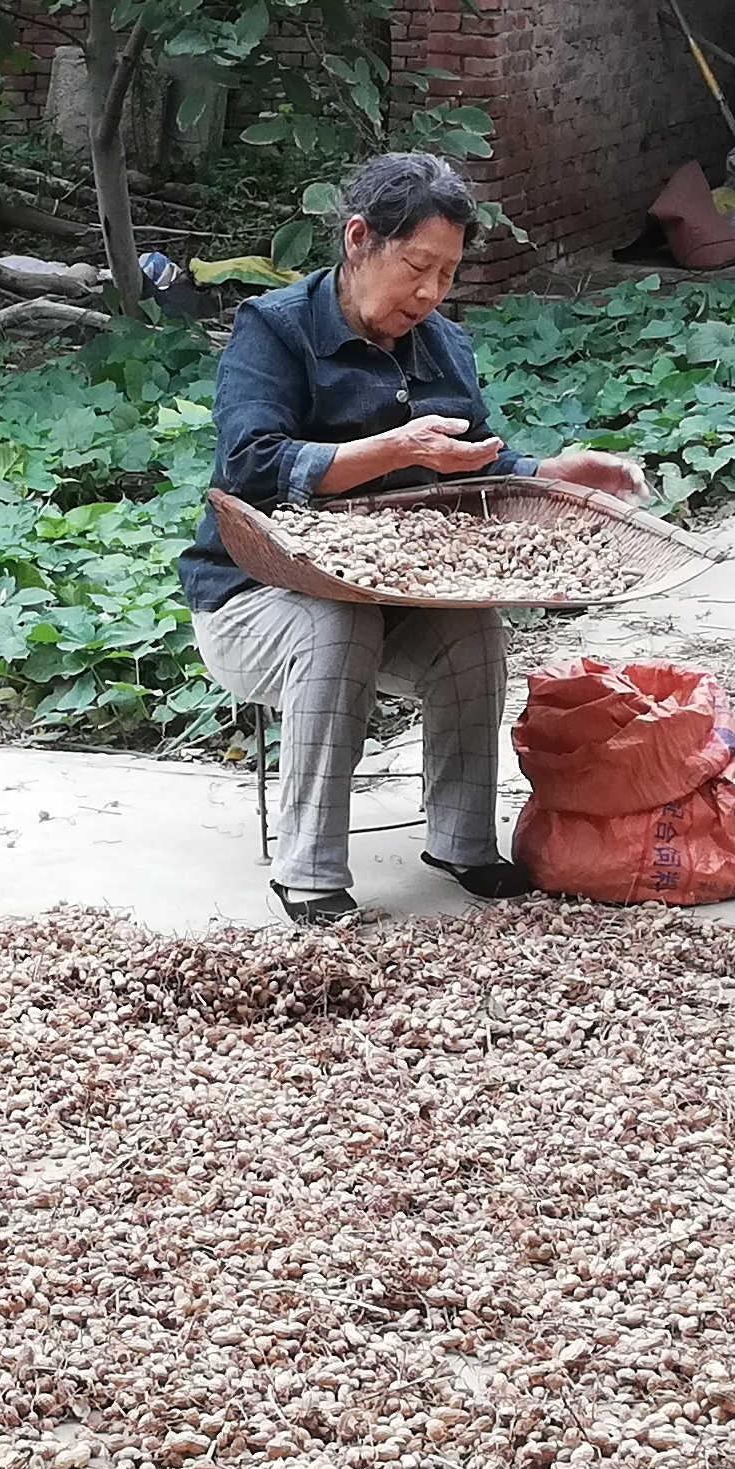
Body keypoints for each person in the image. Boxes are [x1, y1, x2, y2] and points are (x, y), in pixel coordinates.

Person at [185, 152, 645, 929]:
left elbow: (475, 466)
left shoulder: (443, 346)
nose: (430, 294)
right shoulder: (275, 329)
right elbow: (252, 468)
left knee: (472, 629)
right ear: (359, 239)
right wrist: (393, 450)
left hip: (397, 592)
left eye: (447, 275)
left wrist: (552, 474)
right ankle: (309, 870)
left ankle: (463, 843)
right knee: (337, 621)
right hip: (254, 600)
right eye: (416, 267)